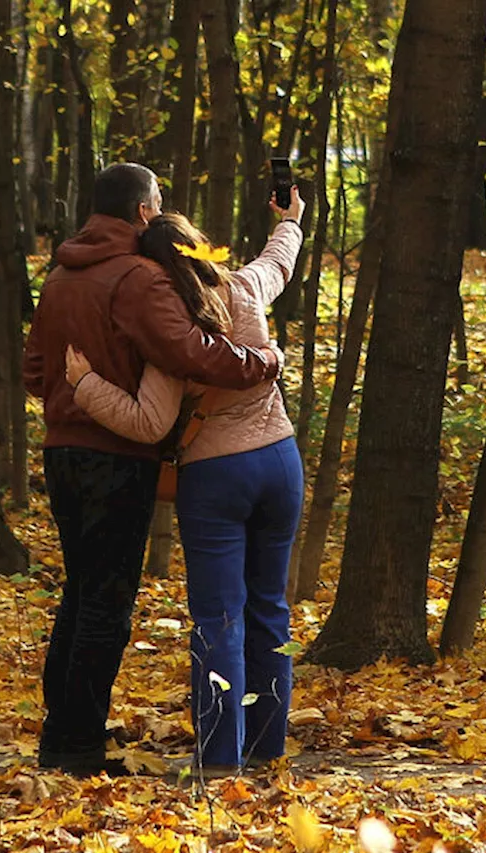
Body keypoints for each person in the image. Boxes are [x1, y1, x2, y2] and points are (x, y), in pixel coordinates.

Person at [23, 163, 283, 778]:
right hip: (117, 455)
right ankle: (78, 748)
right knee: (105, 605)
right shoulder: (138, 277)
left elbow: (36, 370)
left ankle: (63, 734)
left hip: (62, 450)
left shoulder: (59, 275)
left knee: (81, 592)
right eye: (158, 202)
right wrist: (262, 362)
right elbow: (188, 351)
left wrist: (72, 397)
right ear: (143, 212)